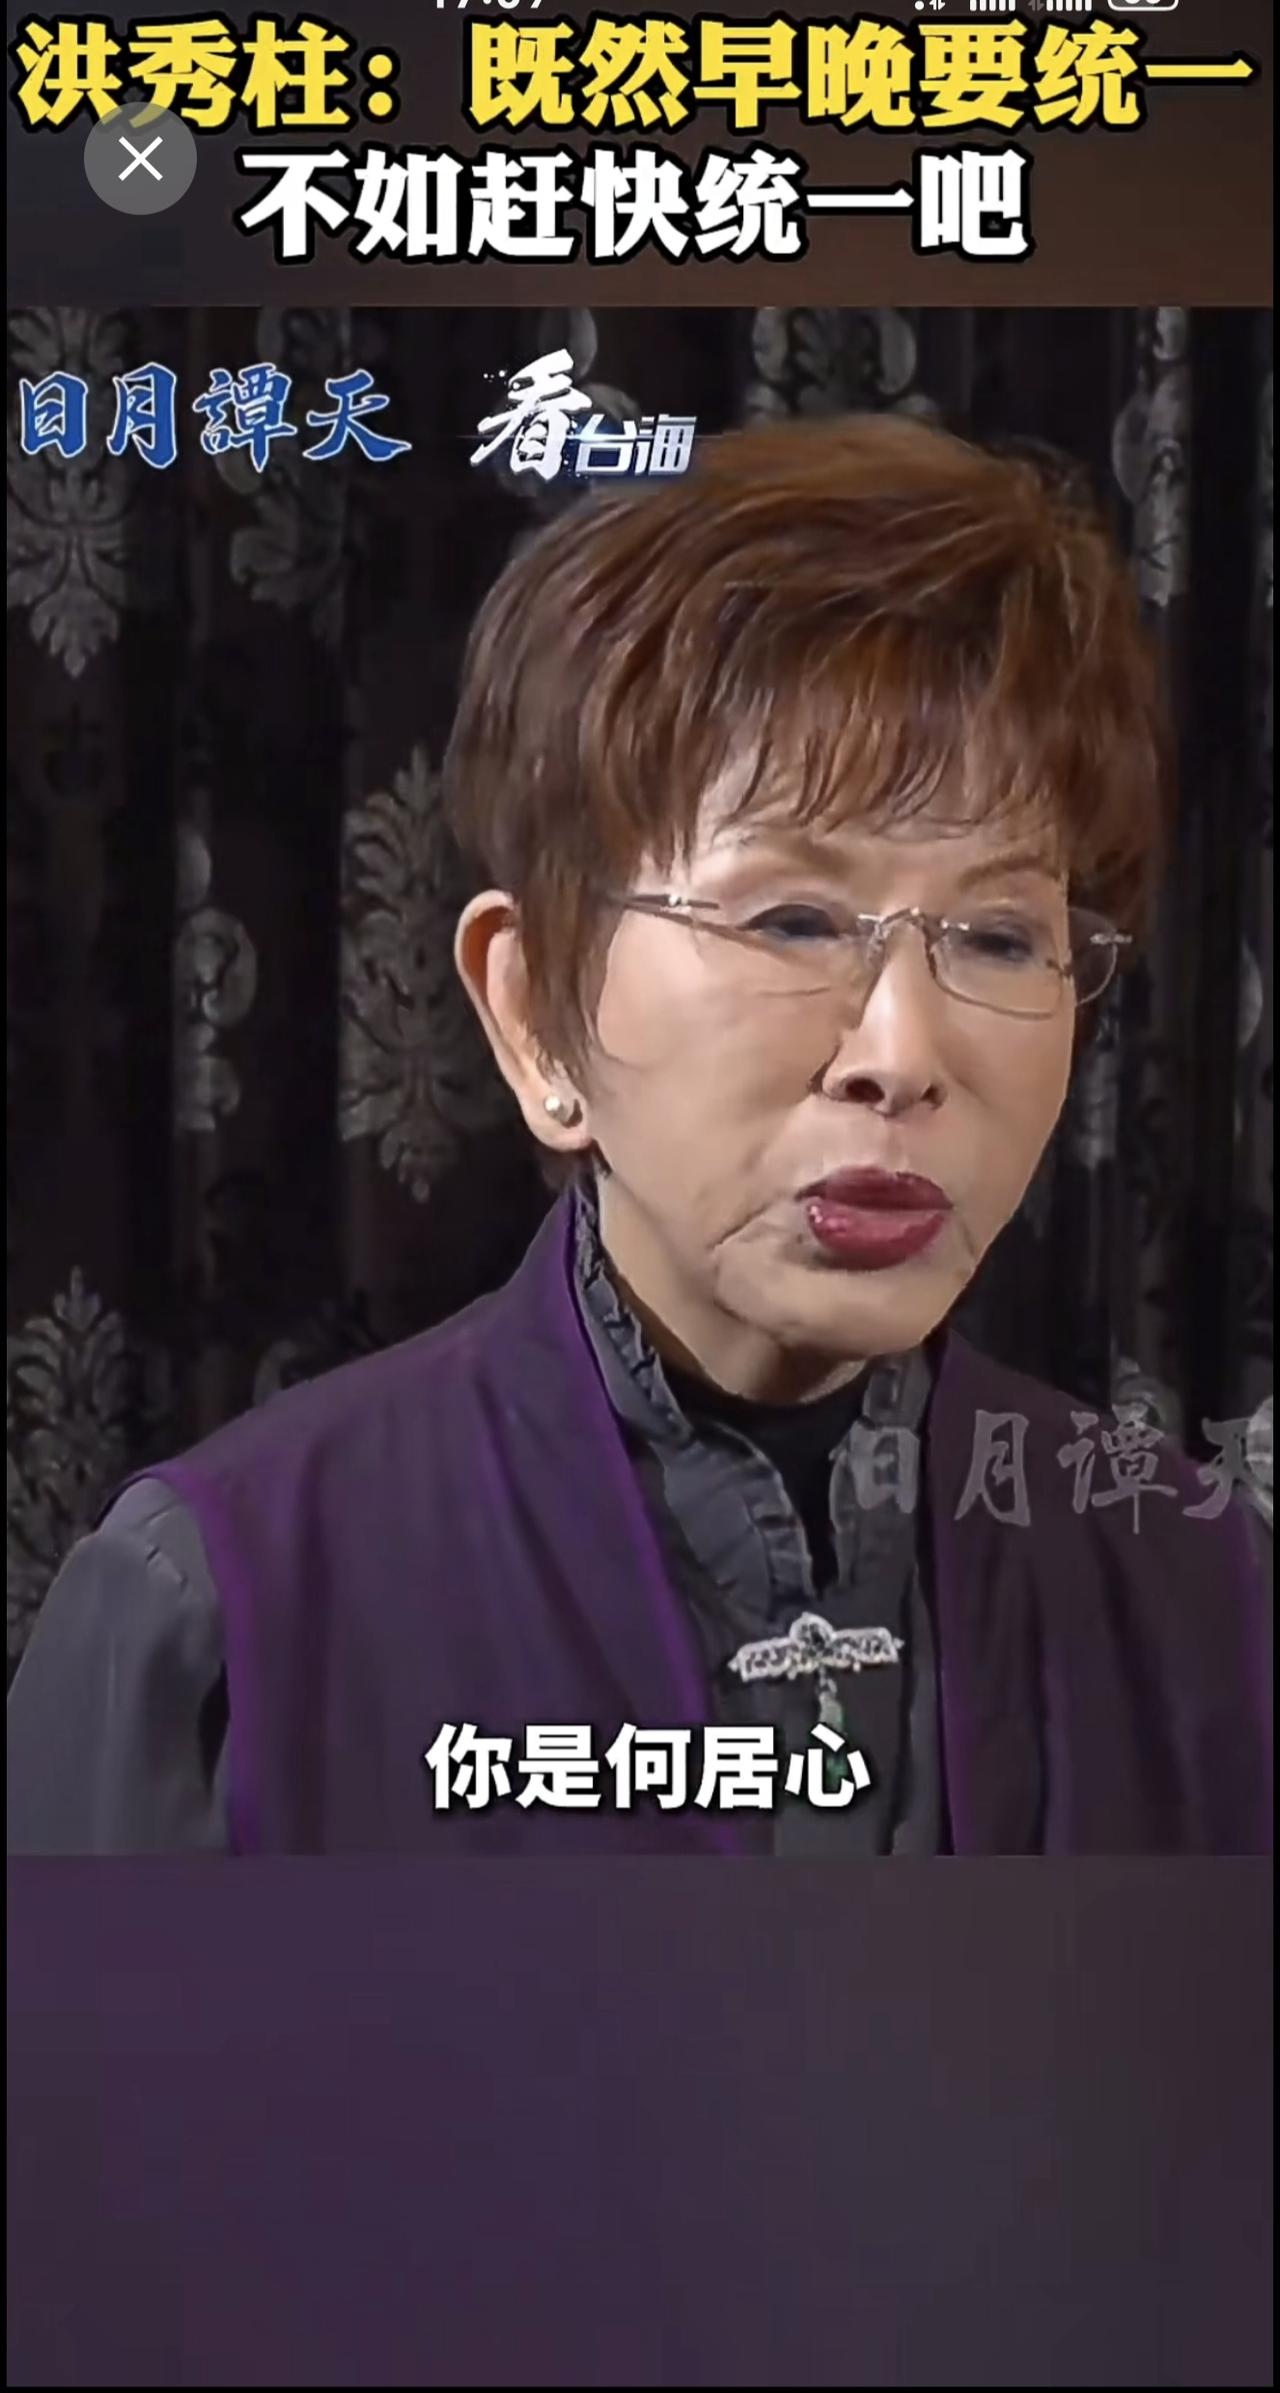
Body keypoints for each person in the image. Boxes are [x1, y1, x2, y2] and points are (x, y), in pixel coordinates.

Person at [7, 414, 1271, 1856]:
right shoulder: (222, 1617)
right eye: (791, 919)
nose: (903, 1055)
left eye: (996, 937)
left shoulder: (1204, 1595)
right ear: (534, 1008)